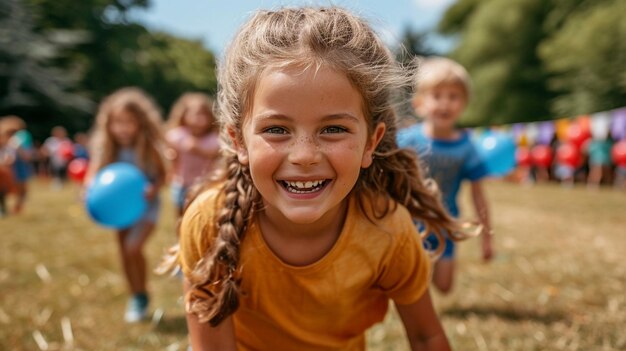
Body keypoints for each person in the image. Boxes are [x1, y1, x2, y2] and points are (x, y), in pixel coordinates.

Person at [164, 7, 463, 351]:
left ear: (371, 142)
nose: (304, 155)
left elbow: (427, 337)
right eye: (276, 129)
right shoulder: (209, 222)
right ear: (238, 141)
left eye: (333, 129)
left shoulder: (388, 230)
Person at [397, 57, 494, 295]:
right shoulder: (407, 140)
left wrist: (487, 238)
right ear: (420, 103)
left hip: (445, 224)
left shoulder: (466, 146)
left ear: (464, 103)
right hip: (410, 224)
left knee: (444, 286)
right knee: (410, 283)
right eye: (437, 95)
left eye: (453, 96)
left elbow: (478, 195)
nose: (445, 103)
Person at [84, 87, 167, 323]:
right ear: (108, 124)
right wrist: (88, 189)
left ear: (140, 122)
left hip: (146, 207)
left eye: (129, 122)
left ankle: (142, 293)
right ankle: (136, 296)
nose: (123, 128)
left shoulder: (148, 146)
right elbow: (93, 175)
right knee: (124, 252)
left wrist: (154, 187)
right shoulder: (107, 148)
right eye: (117, 122)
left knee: (133, 248)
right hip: (117, 211)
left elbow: (162, 175)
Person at [165, 92, 221, 217]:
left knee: (198, 213)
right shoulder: (179, 135)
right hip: (181, 182)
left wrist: (197, 149)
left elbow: (214, 152)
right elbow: (170, 145)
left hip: (203, 183)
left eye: (203, 115)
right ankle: (180, 235)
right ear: (184, 116)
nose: (198, 119)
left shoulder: (212, 139)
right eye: (195, 114)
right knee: (180, 213)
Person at [0, 116, 34, 214]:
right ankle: (13, 209)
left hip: (10, 167)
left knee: (6, 190)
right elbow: (23, 156)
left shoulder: (14, 140)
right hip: (12, 167)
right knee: (17, 190)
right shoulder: (15, 141)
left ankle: (11, 209)